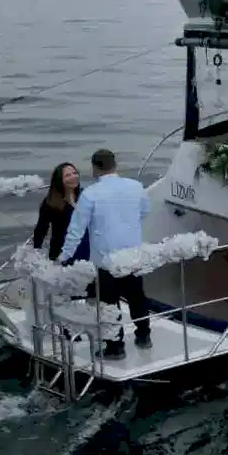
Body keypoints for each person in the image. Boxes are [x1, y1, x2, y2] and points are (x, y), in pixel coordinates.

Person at [58, 147, 152, 357]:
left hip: (105, 259)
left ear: (94, 168)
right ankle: (144, 335)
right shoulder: (136, 187)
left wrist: (64, 257)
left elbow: (76, 230)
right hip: (132, 255)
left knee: (109, 303)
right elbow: (145, 210)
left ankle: (115, 346)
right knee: (137, 297)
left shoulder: (90, 194)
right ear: (115, 165)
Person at [32, 162, 90, 263]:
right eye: (68, 175)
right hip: (62, 252)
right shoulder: (50, 203)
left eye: (74, 173)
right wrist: (36, 253)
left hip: (86, 251)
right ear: (60, 180)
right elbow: (40, 231)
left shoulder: (85, 195)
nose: (73, 177)